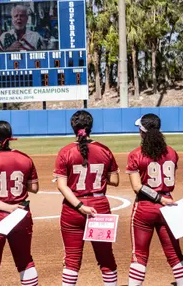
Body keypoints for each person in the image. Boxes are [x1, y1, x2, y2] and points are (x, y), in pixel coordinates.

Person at [53, 110, 119, 286]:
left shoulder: (65, 152)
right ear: (91, 127)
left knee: (72, 260)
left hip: (72, 209)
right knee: (106, 259)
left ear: (73, 127)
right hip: (99, 207)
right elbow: (114, 180)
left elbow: (61, 185)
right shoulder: (104, 150)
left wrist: (79, 205)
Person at [126, 114, 183, 286]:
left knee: (139, 255)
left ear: (142, 131)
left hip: (145, 207)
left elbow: (137, 186)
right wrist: (163, 198)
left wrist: (157, 198)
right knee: (174, 252)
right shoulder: (171, 153)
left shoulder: (135, 155)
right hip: (169, 205)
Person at [0, 120, 39, 286]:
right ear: (10, 138)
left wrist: (6, 207)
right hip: (20, 215)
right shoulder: (25, 158)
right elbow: (34, 188)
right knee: (25, 261)